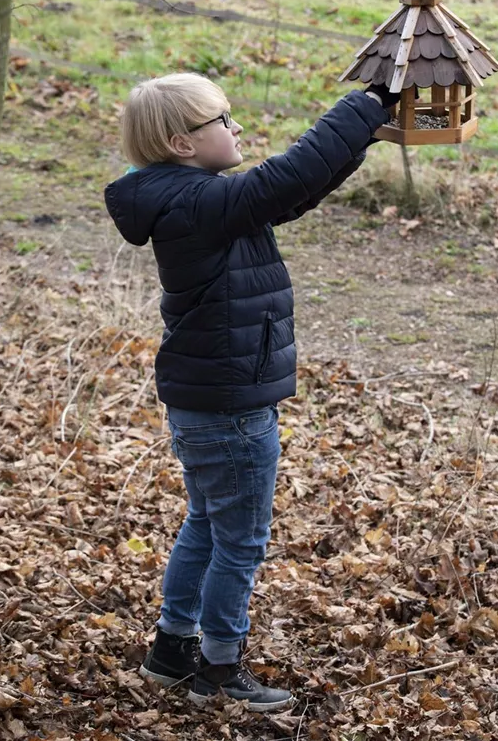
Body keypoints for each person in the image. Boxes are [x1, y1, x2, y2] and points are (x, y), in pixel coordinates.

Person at [104, 72, 398, 712]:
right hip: (232, 405)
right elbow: (283, 179)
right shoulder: (199, 204)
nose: (236, 128)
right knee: (239, 541)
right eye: (223, 120)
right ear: (182, 143)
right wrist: (364, 104)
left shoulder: (187, 198)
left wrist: (364, 135)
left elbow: (291, 195)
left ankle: (171, 650)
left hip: (209, 398)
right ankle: (218, 667)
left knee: (207, 525)